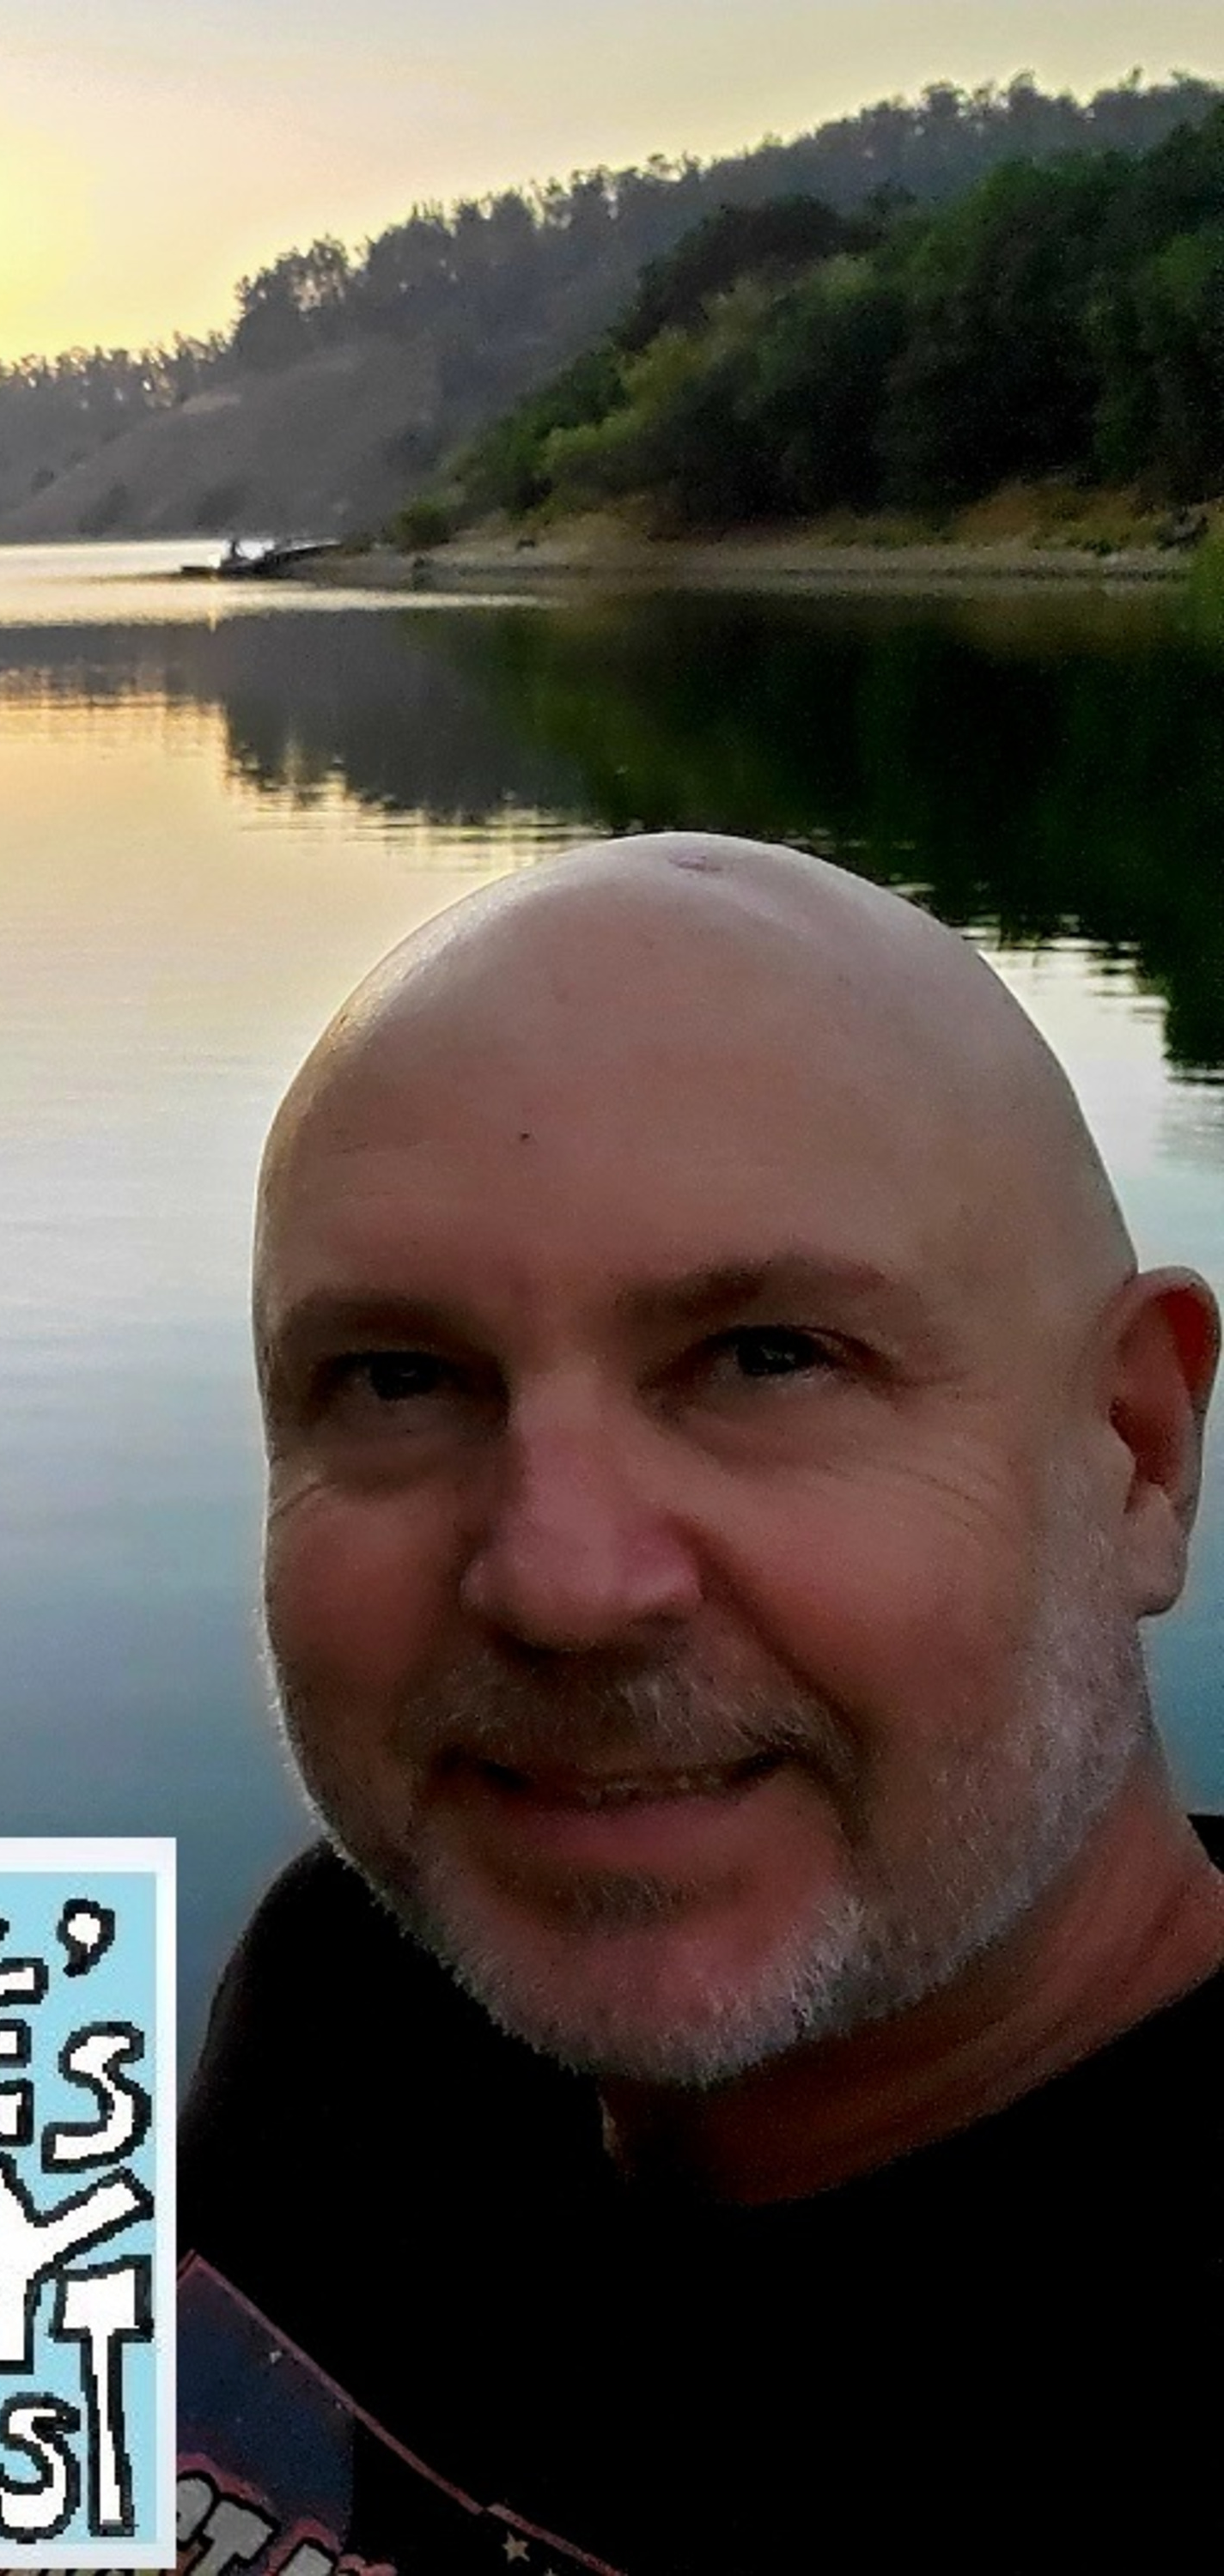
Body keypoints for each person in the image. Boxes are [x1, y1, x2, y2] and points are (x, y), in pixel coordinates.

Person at [182, 831, 1224, 2575]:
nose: (561, 1587)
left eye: (768, 1358)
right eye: (399, 1376)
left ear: (1135, 1453)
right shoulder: (359, 1992)